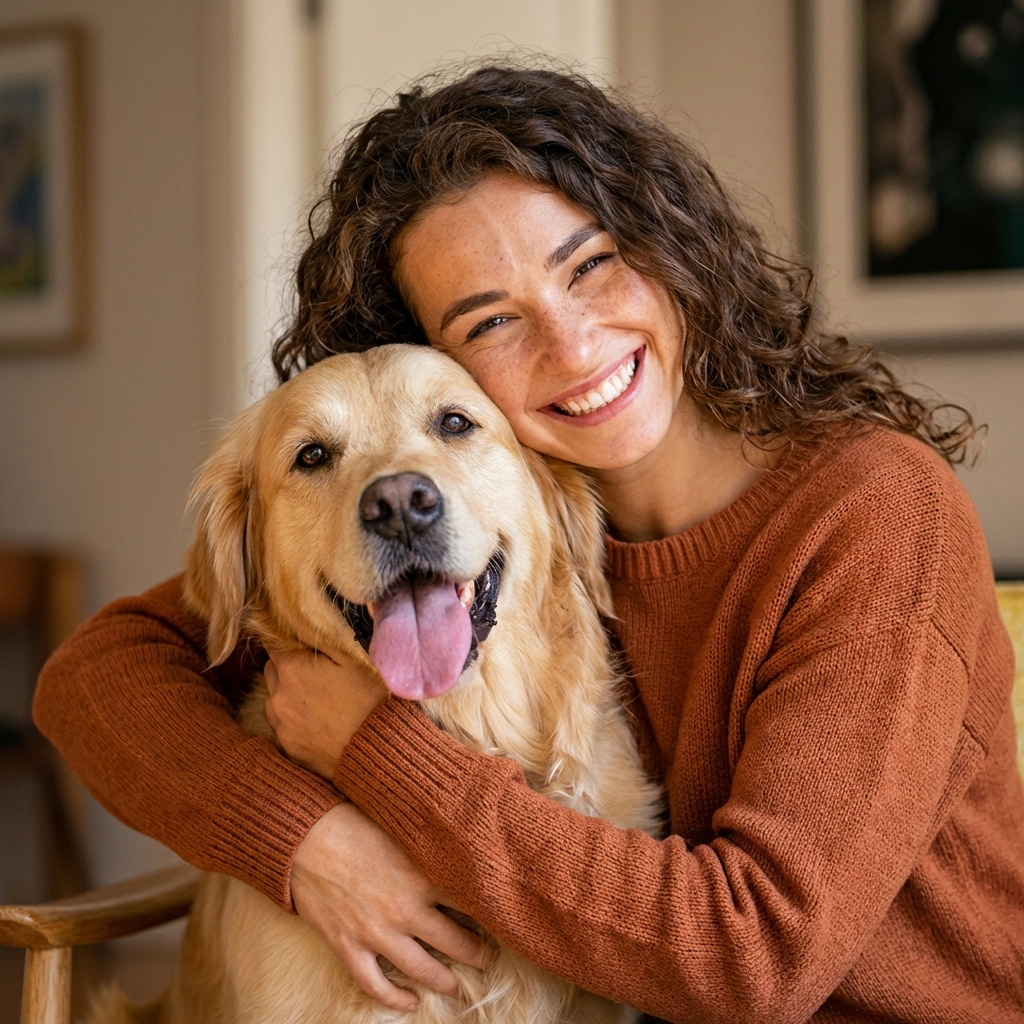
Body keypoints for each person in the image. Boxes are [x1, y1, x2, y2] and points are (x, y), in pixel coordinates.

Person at [34, 64, 1024, 1023]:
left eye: (589, 264)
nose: (570, 342)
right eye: (488, 321)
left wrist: (368, 749)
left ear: (670, 245)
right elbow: (97, 676)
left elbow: (751, 960)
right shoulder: (513, 505)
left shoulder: (873, 514)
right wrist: (305, 837)